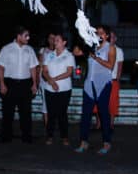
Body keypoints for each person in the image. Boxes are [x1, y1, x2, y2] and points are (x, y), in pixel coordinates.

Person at [75, 25, 116, 155]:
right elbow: (76, 52)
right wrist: (82, 39)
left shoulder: (110, 48)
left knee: (104, 114)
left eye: (102, 33)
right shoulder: (91, 47)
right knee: (86, 115)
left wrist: (96, 58)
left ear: (107, 35)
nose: (99, 35)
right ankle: (83, 142)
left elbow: (110, 66)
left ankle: (106, 142)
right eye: (97, 33)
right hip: (89, 84)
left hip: (103, 84)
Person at [0, 26, 39, 143]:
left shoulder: (29, 50)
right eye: (26, 35)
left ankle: (26, 136)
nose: (28, 38)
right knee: (8, 111)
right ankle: (6, 136)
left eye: (28, 35)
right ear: (18, 36)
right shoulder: (6, 49)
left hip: (25, 84)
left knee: (26, 112)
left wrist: (34, 84)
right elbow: (1, 68)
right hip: (10, 83)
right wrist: (2, 84)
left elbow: (33, 68)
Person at [41, 32, 75, 146]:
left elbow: (69, 72)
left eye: (57, 40)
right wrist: (50, 80)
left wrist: (54, 79)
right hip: (49, 89)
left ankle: (64, 137)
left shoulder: (69, 55)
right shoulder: (50, 55)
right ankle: (49, 136)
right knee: (50, 114)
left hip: (64, 89)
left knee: (62, 113)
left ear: (64, 42)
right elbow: (44, 71)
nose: (54, 42)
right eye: (54, 40)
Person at [38, 32, 56, 129]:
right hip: (44, 80)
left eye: (54, 38)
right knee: (46, 101)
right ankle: (47, 125)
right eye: (50, 38)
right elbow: (39, 66)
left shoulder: (59, 51)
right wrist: (36, 81)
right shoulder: (43, 50)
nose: (52, 40)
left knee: (54, 102)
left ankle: (52, 123)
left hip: (56, 80)